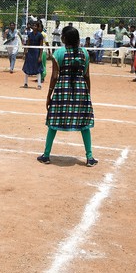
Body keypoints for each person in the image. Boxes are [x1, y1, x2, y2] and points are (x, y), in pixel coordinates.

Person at [36, 26, 97, 167]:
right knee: (84, 124)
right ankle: (89, 157)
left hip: (62, 90)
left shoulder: (59, 53)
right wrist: (88, 94)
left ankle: (46, 155)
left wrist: (49, 95)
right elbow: (87, 76)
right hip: (81, 90)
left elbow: (54, 77)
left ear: (64, 38)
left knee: (53, 122)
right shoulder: (84, 53)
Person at [22, 21, 44, 89]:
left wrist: (40, 56)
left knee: (38, 68)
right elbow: (27, 44)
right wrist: (25, 53)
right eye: (33, 25)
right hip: (30, 53)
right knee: (27, 67)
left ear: (37, 27)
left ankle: (39, 84)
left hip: (36, 53)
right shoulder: (30, 34)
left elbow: (41, 46)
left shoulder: (40, 35)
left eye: (35, 26)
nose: (34, 27)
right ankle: (25, 83)